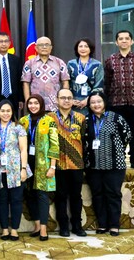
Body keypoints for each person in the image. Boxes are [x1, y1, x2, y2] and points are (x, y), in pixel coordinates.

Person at [84, 92, 130, 236]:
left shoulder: (116, 118)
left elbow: (127, 134)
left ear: (104, 102)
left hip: (114, 165)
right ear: (89, 105)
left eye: (99, 101)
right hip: (94, 166)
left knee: (113, 194)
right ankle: (103, 224)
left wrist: (117, 150)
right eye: (93, 102)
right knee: (97, 195)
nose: (96, 105)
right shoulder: (86, 120)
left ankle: (114, 225)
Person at [104, 29, 134, 170]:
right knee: (117, 133)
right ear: (116, 42)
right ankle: (119, 159)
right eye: (121, 38)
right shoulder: (110, 60)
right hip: (116, 103)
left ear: (131, 41)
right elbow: (106, 83)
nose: (124, 41)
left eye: (126, 38)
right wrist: (106, 103)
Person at [19, 95, 58, 241]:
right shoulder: (23, 121)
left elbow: (55, 145)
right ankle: (36, 225)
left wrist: (52, 166)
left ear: (41, 104)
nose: (33, 106)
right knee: (29, 194)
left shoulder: (49, 121)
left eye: (36, 103)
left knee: (42, 196)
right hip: (26, 164)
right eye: (30, 103)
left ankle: (43, 228)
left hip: (43, 165)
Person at [51, 88, 87, 237]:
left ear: (73, 100)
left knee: (76, 196)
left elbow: (84, 140)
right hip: (58, 164)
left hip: (76, 164)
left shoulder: (81, 118)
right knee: (60, 196)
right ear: (57, 100)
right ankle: (63, 226)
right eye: (63, 97)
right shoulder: (50, 118)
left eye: (69, 98)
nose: (66, 100)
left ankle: (77, 226)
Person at [0, 100, 28, 241]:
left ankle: (14, 229)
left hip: (16, 169)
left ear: (12, 112)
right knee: (1, 200)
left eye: (8, 111)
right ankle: (4, 229)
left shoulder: (18, 128)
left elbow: (23, 149)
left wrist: (23, 168)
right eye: (3, 111)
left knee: (16, 200)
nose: (5, 113)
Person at [21, 36, 70, 112]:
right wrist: (28, 102)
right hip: (36, 105)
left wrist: (64, 100)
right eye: (41, 45)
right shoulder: (29, 63)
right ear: (36, 48)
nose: (44, 47)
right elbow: (26, 84)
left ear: (51, 47)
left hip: (55, 105)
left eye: (47, 45)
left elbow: (65, 82)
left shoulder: (59, 62)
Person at [0, 32, 24, 117]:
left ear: (9, 43)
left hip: (13, 98)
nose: (4, 44)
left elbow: (19, 80)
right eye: (1, 41)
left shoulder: (16, 60)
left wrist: (21, 99)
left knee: (13, 123)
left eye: (6, 41)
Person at [67, 38, 103, 116]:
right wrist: (70, 100)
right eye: (80, 46)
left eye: (86, 46)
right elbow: (66, 83)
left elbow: (99, 85)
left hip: (91, 103)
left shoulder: (97, 64)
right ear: (77, 49)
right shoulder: (71, 64)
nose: (83, 49)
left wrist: (88, 100)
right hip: (74, 103)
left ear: (90, 49)